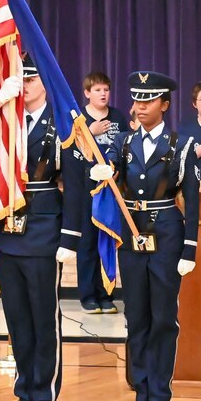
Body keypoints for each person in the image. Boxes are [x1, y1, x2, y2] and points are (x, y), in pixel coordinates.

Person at [0, 57, 82, 401]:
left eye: (30, 78)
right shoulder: (4, 118)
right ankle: (24, 388)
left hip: (44, 226)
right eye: (20, 79)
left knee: (43, 313)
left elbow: (75, 183)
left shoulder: (61, 121)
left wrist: (70, 236)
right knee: (16, 315)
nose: (25, 84)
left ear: (44, 82)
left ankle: (44, 390)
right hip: (5, 229)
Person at [90, 71, 199, 401]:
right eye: (137, 99)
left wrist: (190, 248)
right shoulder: (122, 143)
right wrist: (104, 172)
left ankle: (160, 396)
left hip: (165, 231)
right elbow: (109, 170)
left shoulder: (180, 146)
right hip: (132, 231)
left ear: (165, 105)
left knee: (163, 317)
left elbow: (192, 202)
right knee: (136, 317)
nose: (140, 106)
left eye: (149, 100)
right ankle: (141, 393)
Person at [77, 71, 129, 314]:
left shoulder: (118, 117)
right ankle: (88, 295)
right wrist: (91, 133)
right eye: (97, 90)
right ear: (87, 93)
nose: (103, 94)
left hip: (113, 189)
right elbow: (72, 154)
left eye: (106, 89)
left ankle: (106, 294)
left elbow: (124, 149)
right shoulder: (79, 120)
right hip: (87, 191)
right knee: (87, 243)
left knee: (108, 240)